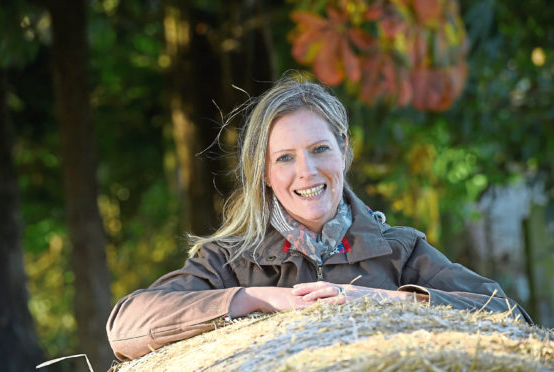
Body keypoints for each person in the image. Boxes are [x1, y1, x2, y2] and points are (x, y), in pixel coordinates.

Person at [106, 75, 531, 361]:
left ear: (344, 150)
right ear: (266, 174)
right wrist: (255, 299)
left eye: (320, 149)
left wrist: (386, 301)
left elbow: (510, 318)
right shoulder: (230, 260)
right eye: (285, 158)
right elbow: (125, 327)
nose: (306, 171)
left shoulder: (400, 249)